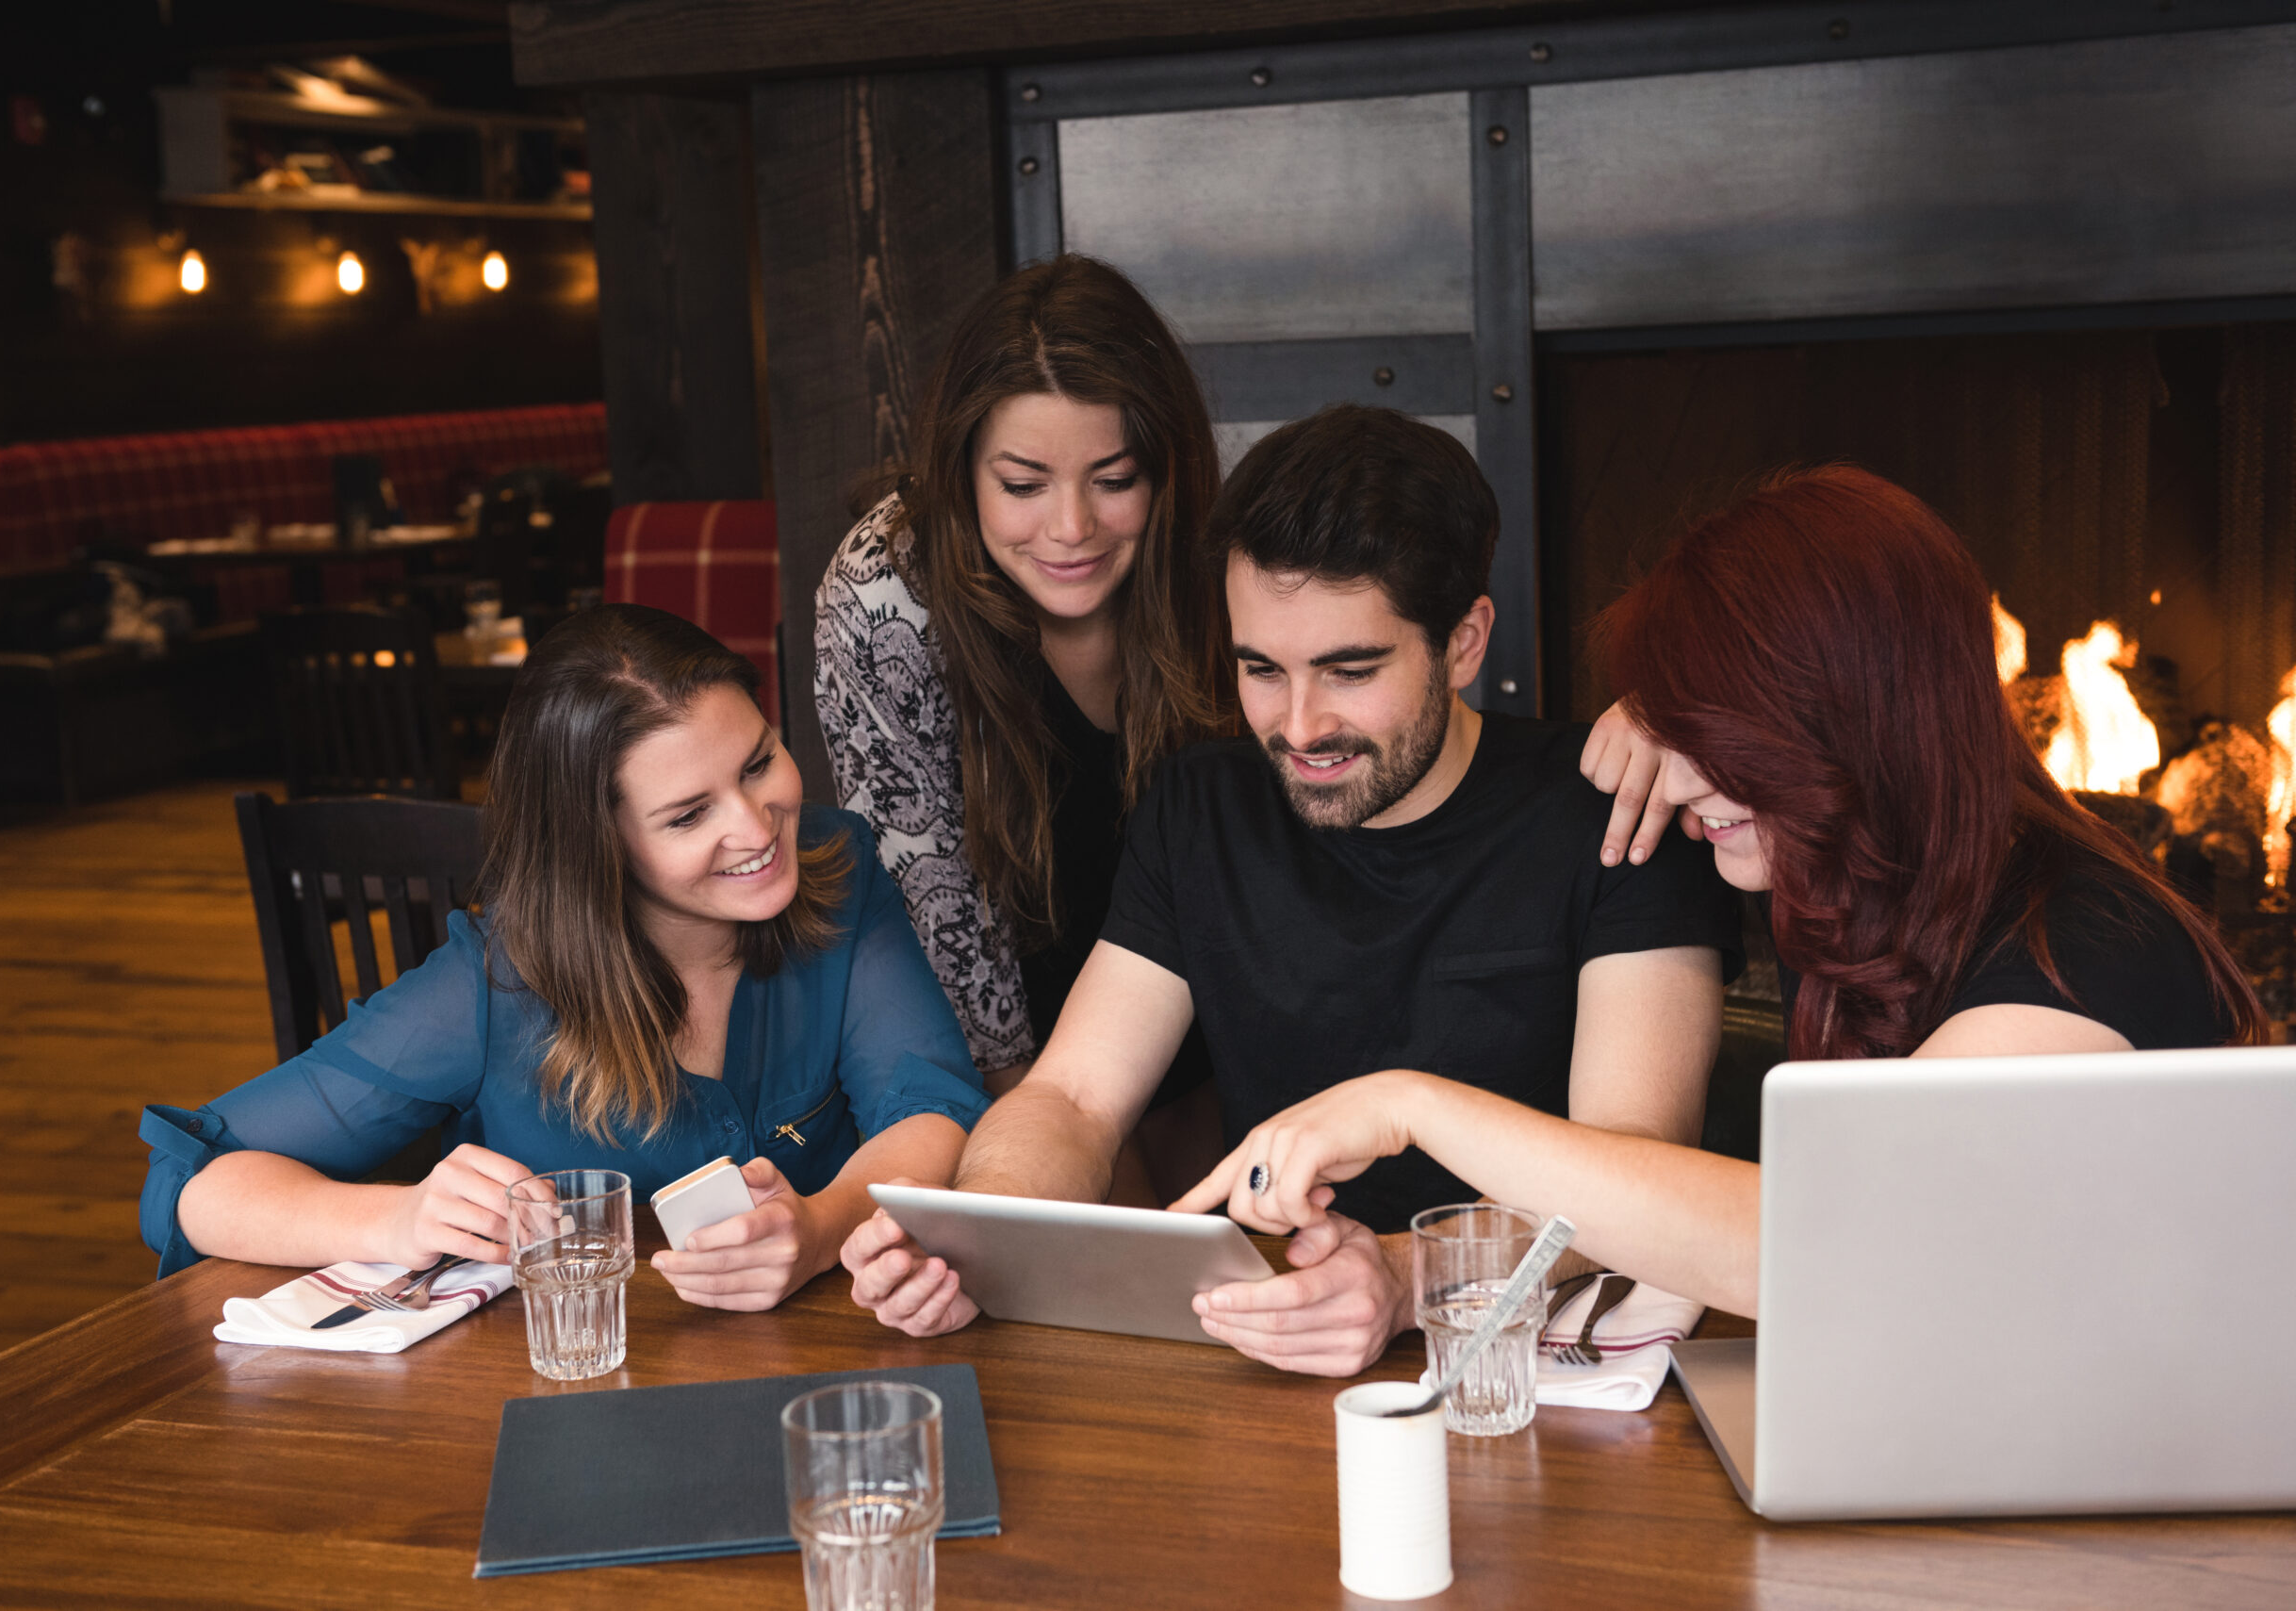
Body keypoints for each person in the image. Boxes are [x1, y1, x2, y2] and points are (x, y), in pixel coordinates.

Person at [1174, 465, 2265, 1320]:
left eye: (1713, 734)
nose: (1678, 781)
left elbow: (1817, 1247)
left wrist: (1408, 1102)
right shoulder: (1869, 880)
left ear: (1842, 722)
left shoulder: (2080, 950)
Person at [841, 406, 1745, 1374]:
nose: (1300, 725)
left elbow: (1636, 1165)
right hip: (1266, 1342)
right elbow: (1070, 1095)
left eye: (1349, 669)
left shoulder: (1611, 810)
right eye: (1261, 669)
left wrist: (1404, 1278)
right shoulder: (1200, 806)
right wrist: (980, 1230)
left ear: (1466, 640)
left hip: (1524, 1361)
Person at [139, 605, 990, 1312]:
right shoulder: (493, 986)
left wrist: (820, 1227)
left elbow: (930, 1102)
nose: (760, 826)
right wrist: (400, 1218)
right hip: (567, 1398)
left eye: (760, 761)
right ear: (597, 849)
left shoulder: (838, 869)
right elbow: (196, 1178)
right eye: (690, 815)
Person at [812, 255, 1229, 1198]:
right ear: (960, 468)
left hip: (1211, 1010)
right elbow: (940, 915)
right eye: (1024, 483)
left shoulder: (1211, 554)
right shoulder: (886, 593)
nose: (1072, 526)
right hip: (1017, 1051)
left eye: (1114, 478)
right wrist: (1063, 1146)